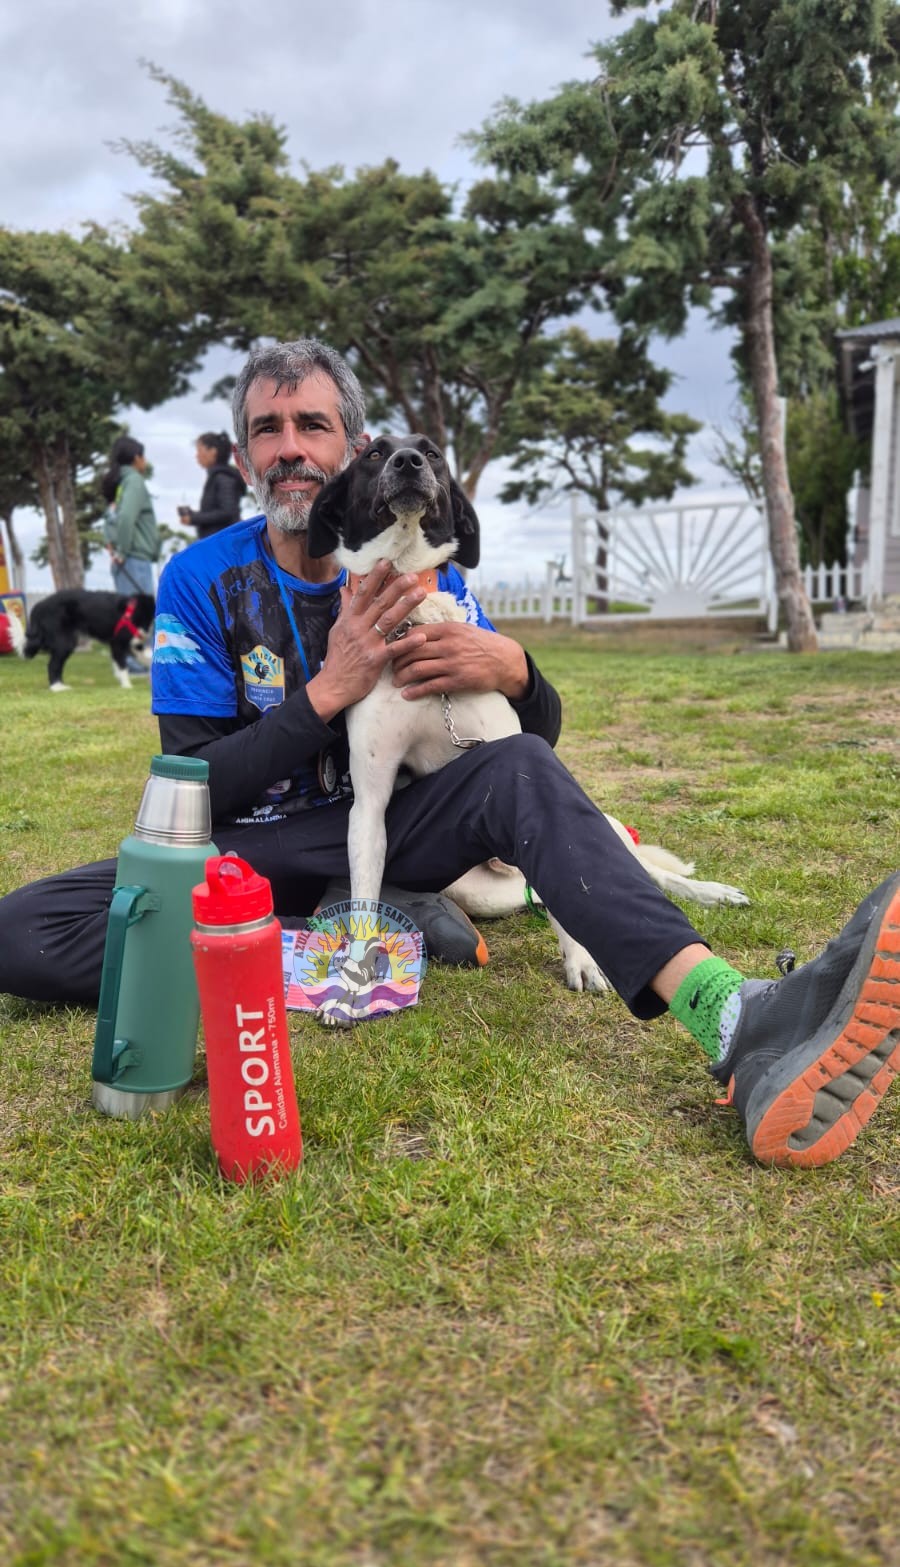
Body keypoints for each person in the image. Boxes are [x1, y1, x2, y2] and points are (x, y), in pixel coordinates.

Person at [0, 339, 897, 1172]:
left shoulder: (433, 574)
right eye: (267, 429)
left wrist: (518, 670)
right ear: (242, 457)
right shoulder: (199, 578)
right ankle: (340, 935)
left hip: (402, 826)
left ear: (353, 449)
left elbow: (524, 752)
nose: (290, 448)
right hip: (250, 856)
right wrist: (327, 693)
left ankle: (733, 1013)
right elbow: (194, 787)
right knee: (22, 931)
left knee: (521, 770)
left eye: (312, 424)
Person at [103, 436, 160, 597]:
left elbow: (112, 517)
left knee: (128, 610)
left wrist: (115, 548)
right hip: (135, 560)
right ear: (136, 458)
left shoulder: (120, 484)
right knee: (140, 611)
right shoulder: (134, 481)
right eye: (143, 456)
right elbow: (126, 517)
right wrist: (122, 552)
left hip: (124, 562)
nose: (145, 461)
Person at [178, 431, 245, 539]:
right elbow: (218, 512)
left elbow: (227, 513)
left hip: (223, 543)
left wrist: (194, 518)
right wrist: (193, 515)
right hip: (217, 541)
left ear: (213, 451)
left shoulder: (224, 478)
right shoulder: (216, 477)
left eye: (199, 450)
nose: (197, 455)